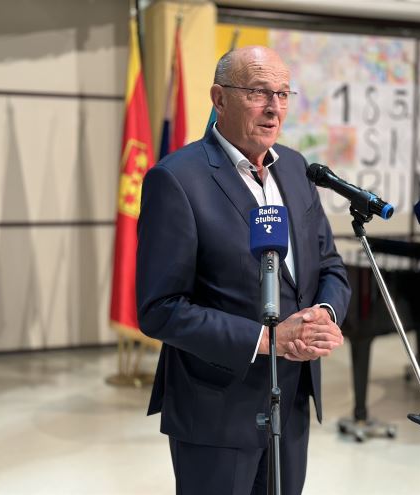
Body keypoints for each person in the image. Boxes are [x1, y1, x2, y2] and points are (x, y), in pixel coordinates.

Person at [136, 45, 351, 495]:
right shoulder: (176, 180)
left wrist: (324, 315)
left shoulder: (296, 169)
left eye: (283, 94)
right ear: (219, 98)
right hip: (217, 409)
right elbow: (161, 309)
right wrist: (267, 339)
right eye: (258, 92)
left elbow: (329, 264)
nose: (274, 108)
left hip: (290, 401)